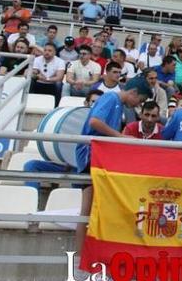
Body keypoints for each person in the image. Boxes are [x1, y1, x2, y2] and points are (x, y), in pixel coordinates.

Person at [74, 77, 152, 251]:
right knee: (87, 212)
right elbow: (94, 122)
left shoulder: (117, 104)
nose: (137, 105)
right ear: (133, 92)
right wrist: (120, 137)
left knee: (96, 211)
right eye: (139, 101)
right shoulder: (110, 98)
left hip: (99, 158)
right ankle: (79, 258)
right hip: (90, 157)